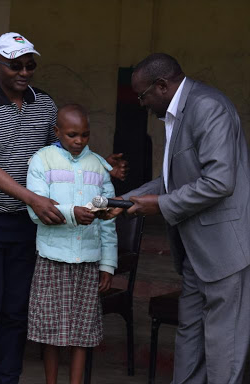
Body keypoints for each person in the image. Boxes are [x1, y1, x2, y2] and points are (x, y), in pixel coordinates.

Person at [0, 32, 126, 384]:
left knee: (16, 306)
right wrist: (33, 198)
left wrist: (102, 165)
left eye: (29, 65)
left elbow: (64, 154)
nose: (24, 72)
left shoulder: (45, 104)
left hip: (26, 220)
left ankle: (6, 378)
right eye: (15, 65)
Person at [107, 53, 250, 383]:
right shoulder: (177, 114)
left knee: (223, 350)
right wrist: (123, 200)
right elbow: (175, 180)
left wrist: (157, 205)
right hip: (194, 254)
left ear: (162, 86)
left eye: (142, 96)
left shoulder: (208, 108)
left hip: (224, 253)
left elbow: (219, 183)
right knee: (190, 342)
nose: (141, 104)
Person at [26, 104, 117, 384]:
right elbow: (35, 210)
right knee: (50, 332)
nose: (79, 141)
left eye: (85, 135)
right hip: (52, 259)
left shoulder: (99, 167)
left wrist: (108, 264)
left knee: (82, 333)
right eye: (72, 134)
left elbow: (107, 219)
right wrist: (72, 213)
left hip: (87, 262)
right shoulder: (43, 161)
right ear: (57, 132)